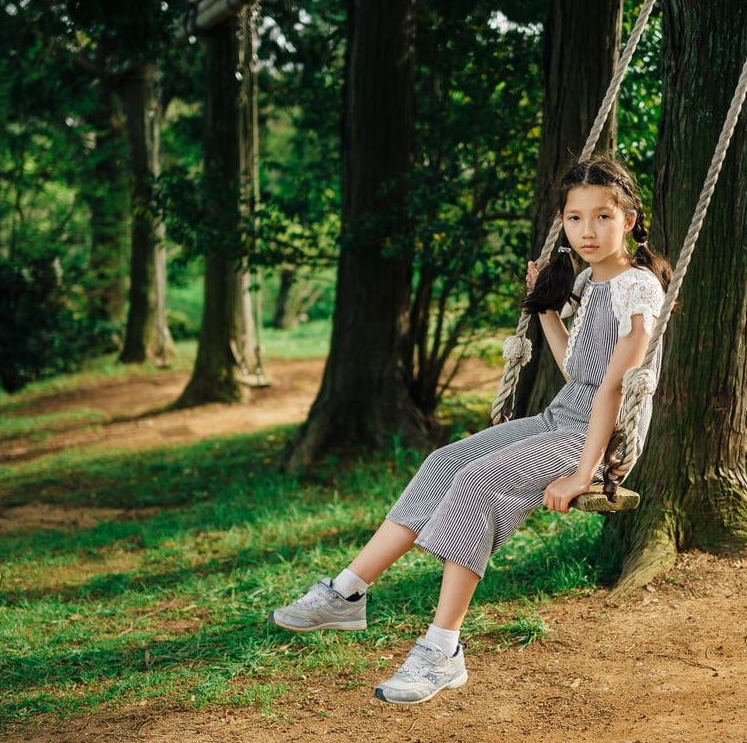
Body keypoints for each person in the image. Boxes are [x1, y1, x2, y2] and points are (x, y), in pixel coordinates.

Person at [269, 157, 673, 705]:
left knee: (478, 482)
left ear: (628, 219)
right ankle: (346, 593)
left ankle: (442, 651)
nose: (587, 231)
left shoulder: (639, 288)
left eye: (603, 216)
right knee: (443, 463)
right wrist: (546, 309)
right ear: (563, 222)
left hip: (599, 438)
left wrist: (585, 472)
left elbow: (615, 387)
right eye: (575, 219)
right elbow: (580, 371)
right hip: (564, 415)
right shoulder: (587, 281)